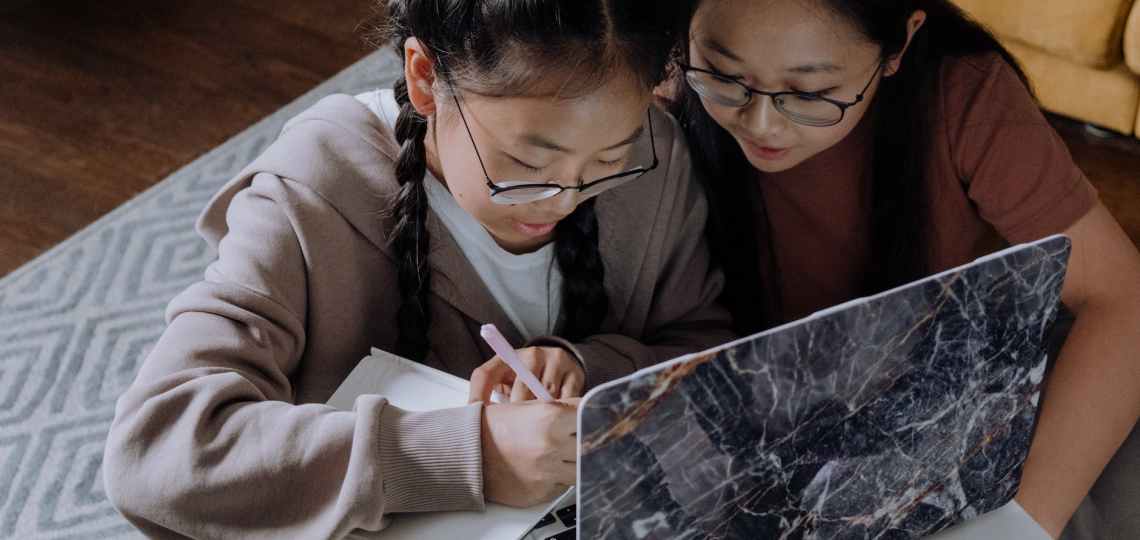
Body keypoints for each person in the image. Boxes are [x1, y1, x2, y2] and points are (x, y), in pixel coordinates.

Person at [102, 1, 732, 537]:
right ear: (426, 76)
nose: (562, 200)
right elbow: (158, 451)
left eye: (605, 162)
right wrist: (465, 454)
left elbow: (717, 360)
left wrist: (586, 365)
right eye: (525, 161)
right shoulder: (314, 189)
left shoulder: (650, 161)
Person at [669, 0, 1140, 537]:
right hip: (762, 424)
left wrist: (1022, 522)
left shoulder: (963, 93)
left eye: (810, 92)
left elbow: (1120, 297)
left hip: (950, 394)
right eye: (726, 76)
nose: (762, 123)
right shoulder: (660, 85)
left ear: (898, 46)